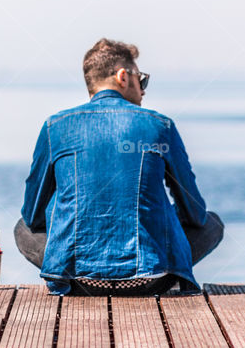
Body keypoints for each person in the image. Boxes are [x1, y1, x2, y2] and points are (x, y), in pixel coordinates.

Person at [14, 38, 224, 296]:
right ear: (123, 76)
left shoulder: (55, 126)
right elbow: (196, 214)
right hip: (151, 279)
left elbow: (32, 215)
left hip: (77, 280)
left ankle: (73, 266)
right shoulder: (160, 126)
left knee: (21, 228)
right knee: (213, 224)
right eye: (142, 79)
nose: (143, 89)